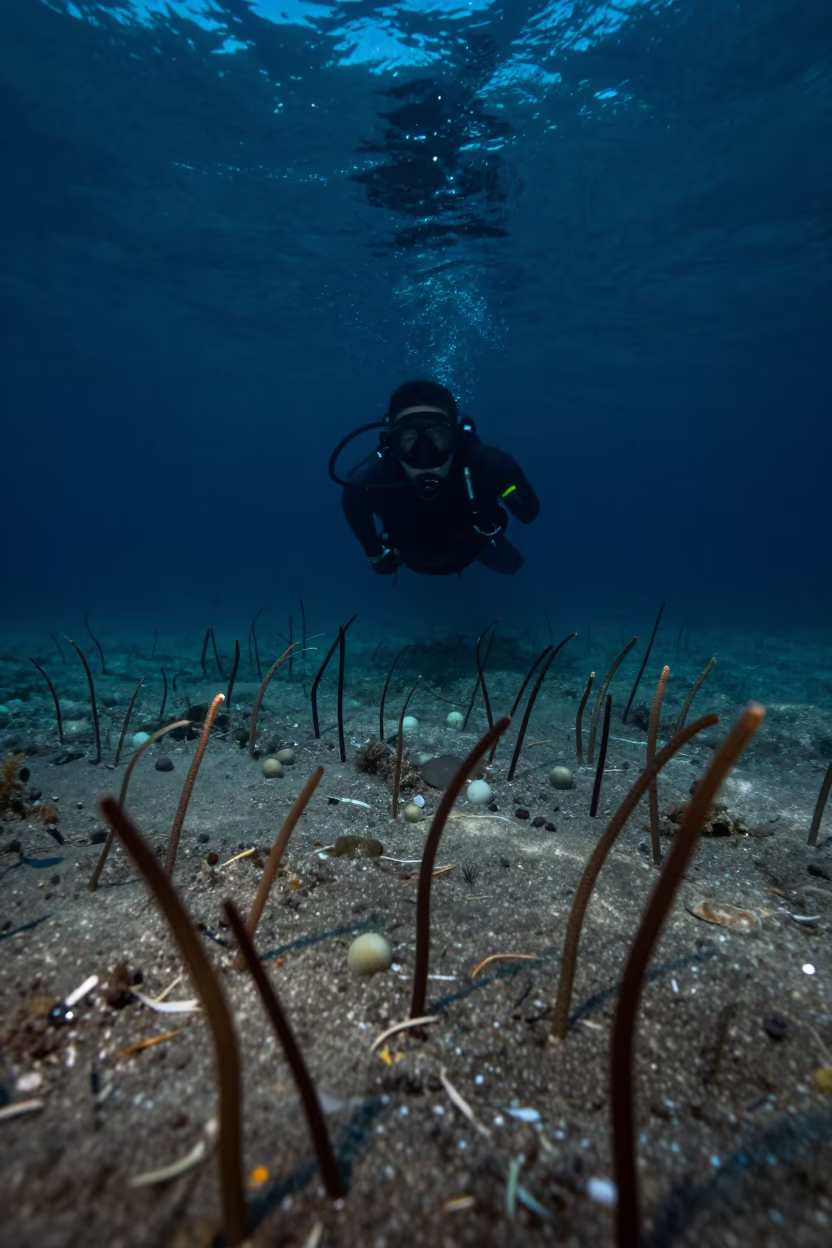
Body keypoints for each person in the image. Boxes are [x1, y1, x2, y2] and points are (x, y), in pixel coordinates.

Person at [334, 380, 539, 577]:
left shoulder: (489, 466)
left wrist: (507, 486)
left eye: (438, 438)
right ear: (392, 444)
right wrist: (375, 554)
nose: (425, 456)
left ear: (455, 438)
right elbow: (352, 502)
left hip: (473, 547)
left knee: (513, 565)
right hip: (417, 556)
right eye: (408, 440)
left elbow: (528, 514)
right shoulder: (370, 479)